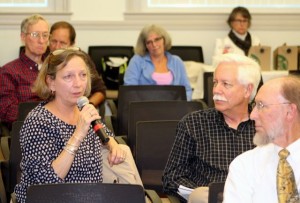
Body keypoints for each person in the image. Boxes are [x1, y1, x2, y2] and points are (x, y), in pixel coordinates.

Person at [14, 48, 127, 203]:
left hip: (90, 196)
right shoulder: (38, 121)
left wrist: (113, 145)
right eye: (68, 77)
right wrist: (78, 134)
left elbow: (105, 134)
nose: (78, 83)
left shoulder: (83, 109)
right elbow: (45, 184)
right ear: (50, 82)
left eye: (83, 75)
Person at [162, 53, 261, 203]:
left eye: (225, 84)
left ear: (247, 90)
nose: (216, 90)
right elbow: (172, 177)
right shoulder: (194, 124)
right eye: (215, 83)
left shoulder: (265, 126)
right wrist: (201, 194)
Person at [223, 76, 300, 203]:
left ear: (290, 111)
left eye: (261, 105)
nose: (252, 115)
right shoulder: (245, 166)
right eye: (254, 105)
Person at [0, 14, 49, 130]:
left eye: (45, 35)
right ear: (23, 37)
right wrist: (44, 117)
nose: (41, 40)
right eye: (35, 35)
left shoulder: (54, 69)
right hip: (27, 131)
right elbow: (7, 111)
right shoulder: (9, 71)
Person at [123, 24, 192, 101]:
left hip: (174, 109)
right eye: (149, 42)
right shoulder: (137, 61)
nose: (154, 45)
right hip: (144, 109)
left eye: (157, 39)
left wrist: (182, 105)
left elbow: (187, 90)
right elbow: (130, 91)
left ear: (164, 40)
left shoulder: (177, 62)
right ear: (145, 45)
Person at [49, 21, 107, 108]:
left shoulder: (81, 59)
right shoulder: (44, 58)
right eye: (54, 41)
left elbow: (100, 91)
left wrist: (87, 106)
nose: (57, 47)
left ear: (72, 44)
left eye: (62, 43)